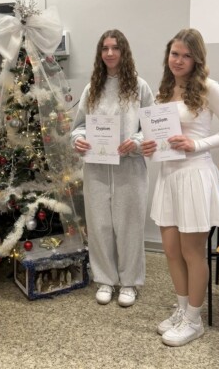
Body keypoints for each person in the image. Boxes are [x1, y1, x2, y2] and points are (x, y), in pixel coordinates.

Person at [140, 28, 219, 346]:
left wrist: (196, 144)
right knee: (172, 251)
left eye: (186, 55)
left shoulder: (209, 88)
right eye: (175, 54)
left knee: (192, 253)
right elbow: (159, 137)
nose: (179, 60)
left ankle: (194, 320)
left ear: (197, 59)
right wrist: (148, 147)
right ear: (167, 55)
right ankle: (182, 309)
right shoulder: (164, 89)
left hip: (195, 176)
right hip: (169, 176)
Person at [71, 29, 154, 307]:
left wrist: (137, 141)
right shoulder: (91, 88)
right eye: (105, 48)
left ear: (124, 51)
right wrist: (78, 139)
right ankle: (105, 279)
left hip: (130, 169)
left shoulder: (140, 87)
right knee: (100, 225)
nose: (109, 53)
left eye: (115, 48)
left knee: (130, 226)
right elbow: (78, 127)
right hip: (96, 169)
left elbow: (152, 127)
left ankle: (129, 282)